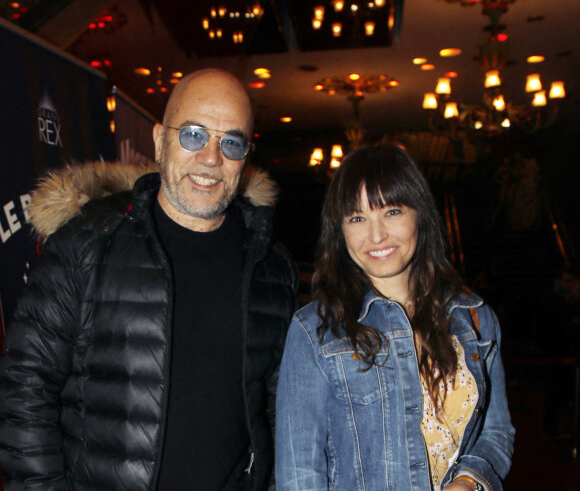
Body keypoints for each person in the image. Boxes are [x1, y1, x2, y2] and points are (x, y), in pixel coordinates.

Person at [0, 68, 299, 490]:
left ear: (246, 157)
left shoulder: (272, 267)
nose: (211, 157)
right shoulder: (85, 243)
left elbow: (279, 412)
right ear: (160, 141)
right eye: (193, 134)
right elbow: (23, 391)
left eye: (230, 142)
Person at [276, 142, 514, 491]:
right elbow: (299, 474)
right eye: (357, 218)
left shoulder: (474, 318)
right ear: (340, 231)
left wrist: (467, 481)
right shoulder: (315, 331)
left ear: (420, 213)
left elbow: (496, 431)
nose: (376, 235)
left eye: (391, 212)